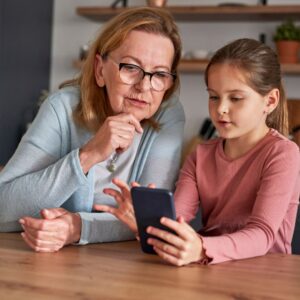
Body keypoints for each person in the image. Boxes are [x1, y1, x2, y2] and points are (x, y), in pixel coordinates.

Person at [96, 38, 300, 265]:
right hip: (207, 269)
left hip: (267, 275)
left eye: (235, 98)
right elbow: (177, 220)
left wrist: (202, 247)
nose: (221, 108)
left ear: (270, 101)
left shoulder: (283, 153)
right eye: (214, 97)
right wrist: (148, 225)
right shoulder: (200, 155)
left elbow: (262, 234)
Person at [0, 7, 185, 252]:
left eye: (160, 74)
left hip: (125, 267)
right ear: (100, 70)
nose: (144, 86)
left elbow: (153, 220)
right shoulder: (62, 107)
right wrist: (88, 155)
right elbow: (4, 209)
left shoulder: (168, 114)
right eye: (130, 67)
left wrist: (77, 227)